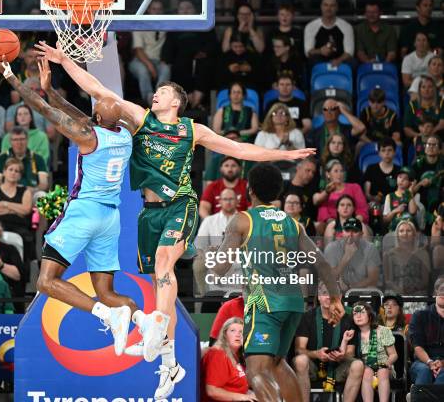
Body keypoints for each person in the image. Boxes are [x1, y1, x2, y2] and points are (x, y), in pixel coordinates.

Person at [36, 41, 316, 399]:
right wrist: (64, 62)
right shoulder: (140, 119)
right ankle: (169, 362)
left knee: (167, 265)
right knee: (157, 281)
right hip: (148, 213)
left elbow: (240, 149)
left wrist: (284, 154)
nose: (155, 94)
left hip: (180, 204)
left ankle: (156, 331)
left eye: (162, 91)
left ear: (176, 103)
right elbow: (98, 90)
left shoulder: (192, 130)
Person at [0, 54, 139, 359]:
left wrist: (10, 76)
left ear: (96, 119)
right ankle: (135, 317)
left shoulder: (87, 137)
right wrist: (52, 90)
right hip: (111, 218)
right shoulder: (127, 134)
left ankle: (105, 315)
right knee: (108, 293)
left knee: (45, 281)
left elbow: (43, 110)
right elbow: (80, 115)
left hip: (86, 212)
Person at [214, 164, 344, 402]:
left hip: (265, 303)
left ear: (250, 190)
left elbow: (219, 268)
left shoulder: (242, 220)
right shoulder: (293, 223)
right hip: (294, 303)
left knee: (256, 368)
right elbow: (323, 264)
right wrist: (336, 298)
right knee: (277, 362)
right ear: (278, 192)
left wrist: (214, 251)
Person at [293, 282, 363, 402]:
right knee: (300, 360)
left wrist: (341, 356)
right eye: (324, 293)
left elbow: (350, 352)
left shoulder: (349, 317)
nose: (329, 297)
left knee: (358, 365)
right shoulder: (307, 317)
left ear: (340, 297)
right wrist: (316, 354)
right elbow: (299, 349)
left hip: (339, 365)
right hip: (314, 365)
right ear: (318, 297)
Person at [193, 188, 239, 299]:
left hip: (238, 256)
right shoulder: (209, 220)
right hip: (214, 257)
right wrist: (209, 254)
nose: (228, 202)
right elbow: (199, 244)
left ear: (237, 200)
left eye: (231, 199)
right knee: (199, 262)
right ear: (220, 202)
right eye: (225, 199)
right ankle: (206, 297)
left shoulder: (245, 219)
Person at [0, 157, 33, 260]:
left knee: (27, 238)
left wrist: (5, 204)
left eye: (17, 171)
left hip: (19, 225)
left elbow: (26, 210)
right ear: (4, 172)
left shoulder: (25, 191)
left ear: (20, 176)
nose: (13, 173)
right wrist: (15, 209)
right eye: (10, 169)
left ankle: (24, 270)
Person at [201, 318, 257, 401]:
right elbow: (212, 391)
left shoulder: (237, 355)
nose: (237, 334)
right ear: (224, 335)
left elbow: (236, 388)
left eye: (241, 332)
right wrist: (244, 397)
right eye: (232, 331)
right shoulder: (218, 354)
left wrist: (250, 394)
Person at [351, 301, 397, 402]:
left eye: (362, 312)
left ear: (370, 316)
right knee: (367, 372)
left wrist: (387, 363)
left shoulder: (383, 331)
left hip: (384, 366)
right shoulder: (353, 335)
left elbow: (393, 355)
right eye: (355, 314)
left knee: (382, 371)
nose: (358, 316)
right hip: (365, 368)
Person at [128, 0, 170, 104]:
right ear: (148, 10)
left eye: (159, 9)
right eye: (154, 9)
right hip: (139, 61)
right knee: (143, 70)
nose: (157, 12)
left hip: (159, 61)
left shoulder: (167, 25)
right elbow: (138, 50)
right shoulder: (139, 25)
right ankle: (149, 98)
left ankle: (160, 97)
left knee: (166, 69)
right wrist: (150, 66)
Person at [324, 217, 381, 293]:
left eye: (355, 231)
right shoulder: (332, 248)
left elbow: (373, 279)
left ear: (361, 234)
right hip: (338, 289)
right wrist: (346, 257)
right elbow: (329, 278)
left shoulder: (370, 248)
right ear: (342, 232)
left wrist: (351, 288)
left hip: (362, 289)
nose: (350, 235)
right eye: (347, 231)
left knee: (372, 289)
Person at [408, 276, 444, 385]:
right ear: (435, 293)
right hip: (423, 361)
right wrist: (430, 362)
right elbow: (417, 346)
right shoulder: (420, 316)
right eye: (441, 290)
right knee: (424, 371)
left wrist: (442, 363)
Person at [0, 127, 48, 195]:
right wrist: (11, 188)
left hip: (31, 191)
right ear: (10, 141)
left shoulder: (38, 158)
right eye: (15, 140)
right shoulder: (2, 158)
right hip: (8, 192)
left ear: (27, 140)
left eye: (22, 139)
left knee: (41, 195)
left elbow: (43, 183)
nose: (19, 143)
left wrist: (34, 189)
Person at [383, 220, 431, 296]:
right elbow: (388, 280)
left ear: (414, 234)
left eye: (408, 231)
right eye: (401, 231)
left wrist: (413, 289)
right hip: (395, 291)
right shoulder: (389, 254)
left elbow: (425, 281)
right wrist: (399, 290)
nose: (405, 234)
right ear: (397, 235)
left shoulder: (423, 253)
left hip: (417, 292)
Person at [304, 0, 354, 66]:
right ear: (321, 7)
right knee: (312, 60)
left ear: (337, 8)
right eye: (325, 5)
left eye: (332, 5)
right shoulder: (311, 26)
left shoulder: (346, 26)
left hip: (340, 60)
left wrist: (338, 60)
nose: (328, 8)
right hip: (320, 60)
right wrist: (320, 51)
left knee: (352, 62)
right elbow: (308, 52)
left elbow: (349, 53)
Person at [316, 159, 369, 225]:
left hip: (354, 223)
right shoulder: (326, 192)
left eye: (342, 171)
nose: (339, 174)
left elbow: (362, 209)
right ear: (328, 174)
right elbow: (323, 213)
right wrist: (334, 224)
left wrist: (353, 222)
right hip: (332, 224)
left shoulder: (355, 187)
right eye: (336, 171)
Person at [363, 138, 400, 207]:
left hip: (394, 204)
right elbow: (367, 194)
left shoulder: (399, 170)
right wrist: (373, 198)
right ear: (379, 153)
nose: (386, 153)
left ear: (394, 152)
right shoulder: (371, 169)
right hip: (374, 204)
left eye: (390, 150)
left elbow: (401, 192)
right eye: (383, 150)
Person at [281, 158, 319, 224]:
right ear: (298, 168)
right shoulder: (284, 186)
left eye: (313, 172)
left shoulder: (311, 191)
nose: (311, 175)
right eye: (308, 170)